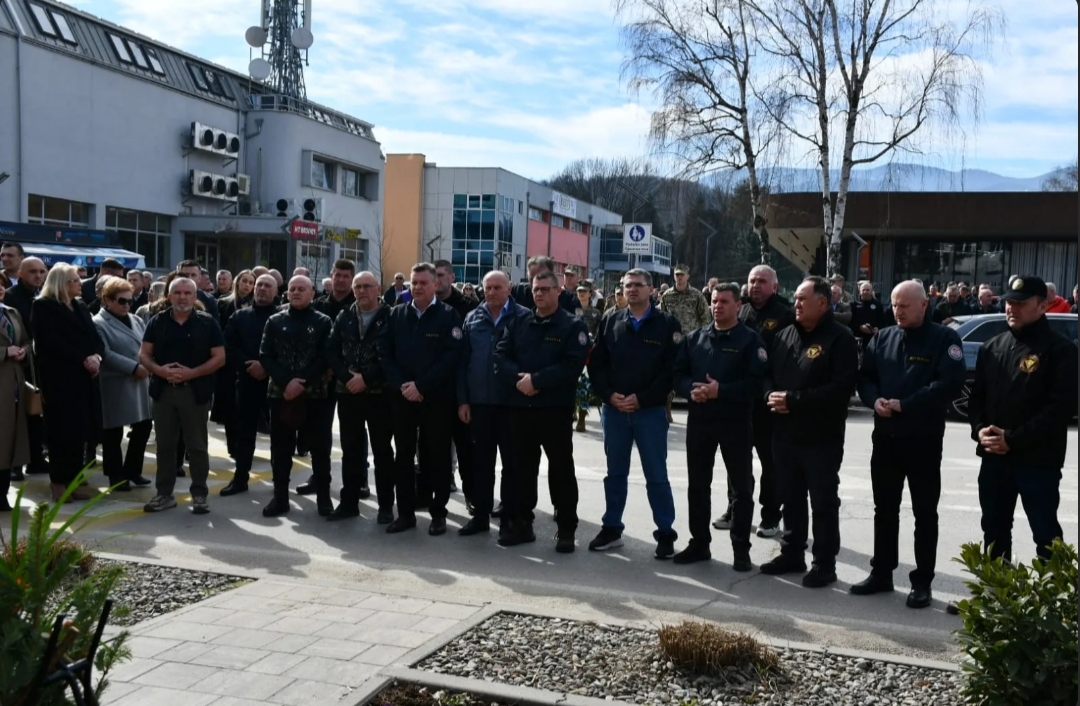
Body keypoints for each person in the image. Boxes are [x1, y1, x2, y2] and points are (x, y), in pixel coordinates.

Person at [853, 281, 966, 608]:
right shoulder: (882, 337)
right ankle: (882, 573)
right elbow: (866, 377)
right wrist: (874, 401)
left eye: (905, 306)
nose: (897, 311)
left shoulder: (944, 338)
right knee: (884, 510)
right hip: (886, 439)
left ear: (923, 305)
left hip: (923, 440)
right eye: (894, 305)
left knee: (924, 514)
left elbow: (950, 383)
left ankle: (922, 582)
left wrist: (907, 404)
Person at [968, 275, 1078, 562]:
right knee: (994, 530)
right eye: (1008, 302)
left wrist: (1013, 440)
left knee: (1045, 534)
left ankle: (1055, 601)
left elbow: (1060, 408)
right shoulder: (992, 347)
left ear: (1043, 306)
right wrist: (980, 430)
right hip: (994, 458)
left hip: (1037, 460)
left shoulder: (1060, 350)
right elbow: (976, 399)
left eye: (1020, 302)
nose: (1011, 308)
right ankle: (995, 599)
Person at [759, 276, 858, 588]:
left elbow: (841, 390)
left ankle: (824, 564)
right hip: (784, 434)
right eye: (796, 299)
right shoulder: (785, 333)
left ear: (823, 303)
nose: (796, 304)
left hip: (821, 437)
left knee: (823, 502)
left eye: (802, 299)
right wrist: (770, 396)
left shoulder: (839, 339)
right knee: (791, 497)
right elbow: (767, 375)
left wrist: (795, 400)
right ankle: (792, 553)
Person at [587, 269, 681, 558]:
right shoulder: (611, 320)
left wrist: (642, 399)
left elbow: (672, 371)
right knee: (615, 473)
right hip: (614, 411)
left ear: (651, 290)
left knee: (656, 475)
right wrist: (608, 395)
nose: (632, 290)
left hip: (649, 412)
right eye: (627, 285)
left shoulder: (666, 324)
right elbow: (596, 364)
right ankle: (612, 528)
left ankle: (665, 533)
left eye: (638, 285)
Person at [672, 283, 767, 571]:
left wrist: (720, 391)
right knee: (698, 486)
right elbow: (678, 374)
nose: (718, 306)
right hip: (700, 421)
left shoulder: (750, 340)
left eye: (724, 301)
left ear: (738, 305)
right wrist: (692, 389)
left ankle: (741, 548)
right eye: (714, 301)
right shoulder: (696, 338)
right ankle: (699, 542)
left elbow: (756, 383)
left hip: (734, 421)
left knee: (741, 488)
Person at [491, 270, 588, 549]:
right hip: (521, 408)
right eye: (536, 289)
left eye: (546, 289)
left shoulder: (572, 326)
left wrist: (537, 381)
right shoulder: (519, 322)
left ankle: (567, 528)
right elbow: (500, 357)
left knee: (561, 470)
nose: (540, 294)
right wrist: (521, 380)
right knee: (522, 469)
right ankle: (522, 523)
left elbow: (572, 367)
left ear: (558, 291)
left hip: (553, 410)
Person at [378, 263, 463, 535]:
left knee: (435, 455)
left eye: (422, 283)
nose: (416, 287)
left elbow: (451, 358)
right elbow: (384, 353)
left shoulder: (448, 315)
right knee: (403, 456)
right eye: (413, 283)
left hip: (435, 398)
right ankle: (405, 514)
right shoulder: (396, 314)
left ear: (435, 284)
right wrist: (404, 385)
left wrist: (422, 386)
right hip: (402, 397)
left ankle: (438, 513)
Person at [139, 277, 225, 514]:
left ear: (195, 297)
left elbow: (219, 357)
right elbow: (144, 354)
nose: (182, 297)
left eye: (188, 293)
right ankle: (164, 494)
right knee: (165, 445)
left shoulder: (207, 324)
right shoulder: (157, 322)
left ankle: (199, 495)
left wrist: (192, 373)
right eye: (177, 292)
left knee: (197, 446)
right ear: (169, 296)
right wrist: (160, 371)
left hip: (194, 392)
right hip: (164, 392)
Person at [718, 265, 794, 537]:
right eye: (752, 281)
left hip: (767, 402)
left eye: (762, 281)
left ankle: (771, 516)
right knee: (737, 461)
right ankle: (735, 510)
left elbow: (784, 360)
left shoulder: (785, 315)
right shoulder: (742, 310)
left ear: (774, 286)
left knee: (770, 462)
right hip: (740, 400)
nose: (756, 286)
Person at [458, 270, 529, 535]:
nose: (492, 292)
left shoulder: (523, 317)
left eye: (498, 287)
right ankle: (481, 515)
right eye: (488, 288)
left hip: (512, 403)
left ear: (509, 288)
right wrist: (463, 400)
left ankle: (509, 515)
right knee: (481, 463)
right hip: (480, 403)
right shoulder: (472, 318)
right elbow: (463, 363)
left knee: (512, 463)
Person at [259, 276, 335, 517]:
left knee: (320, 448)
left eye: (302, 289)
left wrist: (300, 382)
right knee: (280, 449)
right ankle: (280, 498)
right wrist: (286, 382)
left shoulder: (323, 322)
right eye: (292, 289)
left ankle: (324, 498)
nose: (296, 292)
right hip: (280, 394)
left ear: (312, 293)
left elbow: (326, 357)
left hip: (315, 395)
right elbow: (265, 355)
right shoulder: (274, 320)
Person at [326, 271, 394, 522]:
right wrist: (347, 377)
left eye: (367, 286)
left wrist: (365, 379)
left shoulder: (391, 316)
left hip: (379, 394)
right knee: (351, 450)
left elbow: (393, 356)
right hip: (348, 394)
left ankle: (386, 507)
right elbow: (331, 351)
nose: (362, 291)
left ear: (379, 289)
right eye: (358, 287)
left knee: (383, 451)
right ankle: (349, 503)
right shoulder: (344, 315)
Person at [33, 263, 104, 501]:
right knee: (61, 433)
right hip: (60, 381)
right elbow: (50, 342)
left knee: (80, 432)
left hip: (85, 379)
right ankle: (58, 483)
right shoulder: (44, 307)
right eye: (75, 280)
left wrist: (96, 356)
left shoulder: (81, 306)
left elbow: (94, 337)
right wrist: (82, 359)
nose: (80, 284)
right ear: (62, 283)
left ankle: (74, 481)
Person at [93, 276, 154, 491]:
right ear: (107, 300)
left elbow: (145, 344)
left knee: (143, 426)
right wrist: (132, 367)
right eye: (121, 301)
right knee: (113, 431)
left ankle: (133, 471)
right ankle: (115, 475)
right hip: (116, 382)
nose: (127, 305)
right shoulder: (98, 323)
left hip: (140, 380)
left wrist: (148, 364)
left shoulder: (135, 319)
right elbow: (105, 353)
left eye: (129, 301)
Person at [220, 274, 279, 496]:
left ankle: (280, 480)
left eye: (267, 286)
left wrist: (266, 367)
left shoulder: (283, 317)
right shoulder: (239, 316)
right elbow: (228, 347)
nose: (262, 289)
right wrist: (250, 366)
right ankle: (240, 478)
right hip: (246, 381)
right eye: (259, 285)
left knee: (280, 435)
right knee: (245, 433)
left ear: (275, 291)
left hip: (277, 383)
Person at [434, 259, 478, 500]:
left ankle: (473, 497)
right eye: (435, 275)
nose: (437, 279)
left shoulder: (469, 306)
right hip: (431, 388)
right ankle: (435, 495)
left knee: (466, 447)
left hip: (461, 389)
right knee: (433, 449)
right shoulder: (422, 305)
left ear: (452, 277)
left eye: (442, 275)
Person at [3, 258, 49, 479]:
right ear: (20, 273)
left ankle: (36, 458)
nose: (38, 276)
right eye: (33, 272)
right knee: (16, 417)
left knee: (35, 412)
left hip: (36, 361)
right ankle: (15, 465)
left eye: (42, 271)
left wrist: (25, 347)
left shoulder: (44, 295)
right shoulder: (11, 297)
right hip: (13, 368)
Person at [659, 265, 711, 422]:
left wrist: (703, 339)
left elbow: (705, 318)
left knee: (693, 377)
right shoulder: (667, 296)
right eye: (677, 275)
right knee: (668, 375)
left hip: (692, 343)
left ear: (688, 276)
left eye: (682, 275)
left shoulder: (697, 296)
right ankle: (667, 408)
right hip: (672, 343)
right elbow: (661, 318)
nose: (679, 277)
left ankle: (696, 409)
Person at [0, 273, 31, 511]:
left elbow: (26, 340)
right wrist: (4, 352)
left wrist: (22, 350)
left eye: (1, 285)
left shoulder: (12, 312)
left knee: (9, 440)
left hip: (13, 383)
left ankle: (2, 494)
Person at [511, 256, 576, 312]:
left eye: (541, 278)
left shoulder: (568, 299)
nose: (536, 282)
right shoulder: (518, 292)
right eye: (532, 279)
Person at [849, 281, 885, 347]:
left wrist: (877, 328)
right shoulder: (853, 304)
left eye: (867, 290)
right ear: (860, 292)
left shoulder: (878, 305)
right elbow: (850, 320)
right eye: (863, 290)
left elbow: (882, 320)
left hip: (873, 338)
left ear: (871, 291)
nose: (865, 292)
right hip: (857, 337)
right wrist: (859, 326)